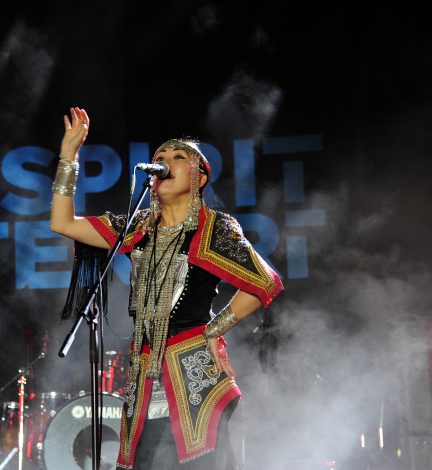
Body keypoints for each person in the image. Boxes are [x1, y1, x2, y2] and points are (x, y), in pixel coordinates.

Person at [50, 107, 284, 469]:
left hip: (194, 376)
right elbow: (63, 222)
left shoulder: (215, 227)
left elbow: (264, 282)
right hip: (144, 377)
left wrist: (215, 331)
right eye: (159, 156)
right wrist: (69, 157)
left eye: (178, 157)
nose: (164, 161)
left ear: (200, 177)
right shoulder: (138, 225)